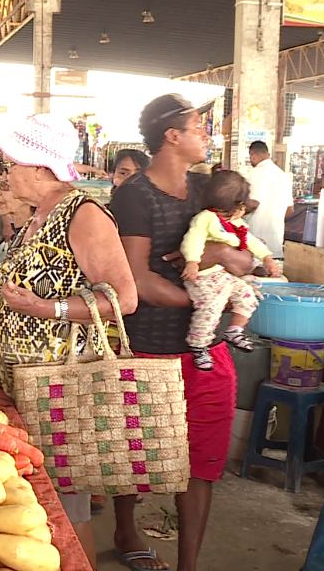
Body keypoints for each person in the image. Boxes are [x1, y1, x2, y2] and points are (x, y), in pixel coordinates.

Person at [0, 114, 138, 567]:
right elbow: (19, 299)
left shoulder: (84, 213)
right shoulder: (39, 215)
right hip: (25, 383)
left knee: (67, 507)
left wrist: (46, 310)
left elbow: (124, 297)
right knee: (39, 508)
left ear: (39, 167)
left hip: (61, 387)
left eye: (12, 165)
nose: (6, 175)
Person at [110, 93, 257, 571]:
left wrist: (218, 259)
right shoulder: (135, 194)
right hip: (149, 346)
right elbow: (137, 280)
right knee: (137, 452)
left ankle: (189, 564)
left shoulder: (207, 189)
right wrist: (207, 297)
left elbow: (245, 256)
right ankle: (126, 529)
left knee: (204, 460)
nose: (207, 136)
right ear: (172, 136)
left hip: (206, 351)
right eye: (199, 127)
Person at [180, 171, 280, 369]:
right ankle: (199, 345)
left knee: (247, 295)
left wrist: (267, 258)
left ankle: (234, 329)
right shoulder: (206, 218)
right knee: (210, 306)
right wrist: (192, 261)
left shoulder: (235, 223)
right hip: (204, 276)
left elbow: (250, 241)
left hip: (223, 275)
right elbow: (194, 239)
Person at [245, 140, 293, 258]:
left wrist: (236, 216)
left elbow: (253, 203)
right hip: (276, 241)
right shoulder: (283, 175)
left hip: (256, 240)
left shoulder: (256, 172)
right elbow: (290, 209)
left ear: (252, 155)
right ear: (268, 154)